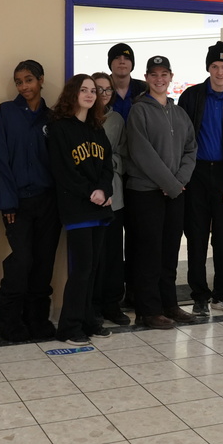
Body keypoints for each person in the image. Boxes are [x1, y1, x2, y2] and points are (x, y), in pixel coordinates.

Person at [178, 41, 223, 316]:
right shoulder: (191, 96)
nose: (219, 72)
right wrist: (181, 176)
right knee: (196, 238)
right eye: (214, 66)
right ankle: (199, 295)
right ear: (208, 68)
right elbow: (180, 140)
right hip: (195, 174)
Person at [125, 55, 197, 329]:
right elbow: (142, 153)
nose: (159, 79)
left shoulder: (179, 113)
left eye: (164, 74)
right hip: (146, 193)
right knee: (148, 253)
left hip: (175, 193)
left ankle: (169, 304)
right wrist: (170, 184)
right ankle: (148, 310)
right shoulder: (138, 111)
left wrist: (179, 181)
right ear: (146, 78)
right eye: (154, 74)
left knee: (169, 252)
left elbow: (192, 148)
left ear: (170, 77)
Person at [0, 60, 60, 342]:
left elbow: (58, 163)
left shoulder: (53, 118)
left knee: (43, 264)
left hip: (48, 202)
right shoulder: (7, 112)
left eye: (29, 80)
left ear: (41, 80)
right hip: (17, 203)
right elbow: (0, 159)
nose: (24, 86)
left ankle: (37, 320)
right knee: (22, 262)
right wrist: (7, 202)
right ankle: (8, 321)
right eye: (19, 81)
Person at [47, 74, 115, 345]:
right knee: (82, 269)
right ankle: (69, 327)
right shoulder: (60, 127)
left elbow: (108, 165)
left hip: (99, 208)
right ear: (73, 93)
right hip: (77, 209)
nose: (89, 94)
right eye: (84, 90)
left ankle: (89, 320)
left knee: (94, 268)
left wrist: (104, 190)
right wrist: (91, 192)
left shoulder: (97, 127)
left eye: (93, 91)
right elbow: (63, 171)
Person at [90, 72, 130, 325]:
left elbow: (125, 157)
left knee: (114, 254)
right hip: (88, 198)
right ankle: (92, 305)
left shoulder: (116, 120)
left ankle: (112, 305)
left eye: (107, 90)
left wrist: (103, 160)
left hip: (114, 197)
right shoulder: (79, 118)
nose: (103, 95)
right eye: (97, 89)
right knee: (93, 256)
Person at [107, 42, 147, 121]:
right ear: (110, 63)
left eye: (127, 58)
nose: (122, 61)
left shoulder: (144, 89)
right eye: (117, 57)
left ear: (132, 64)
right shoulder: (99, 89)